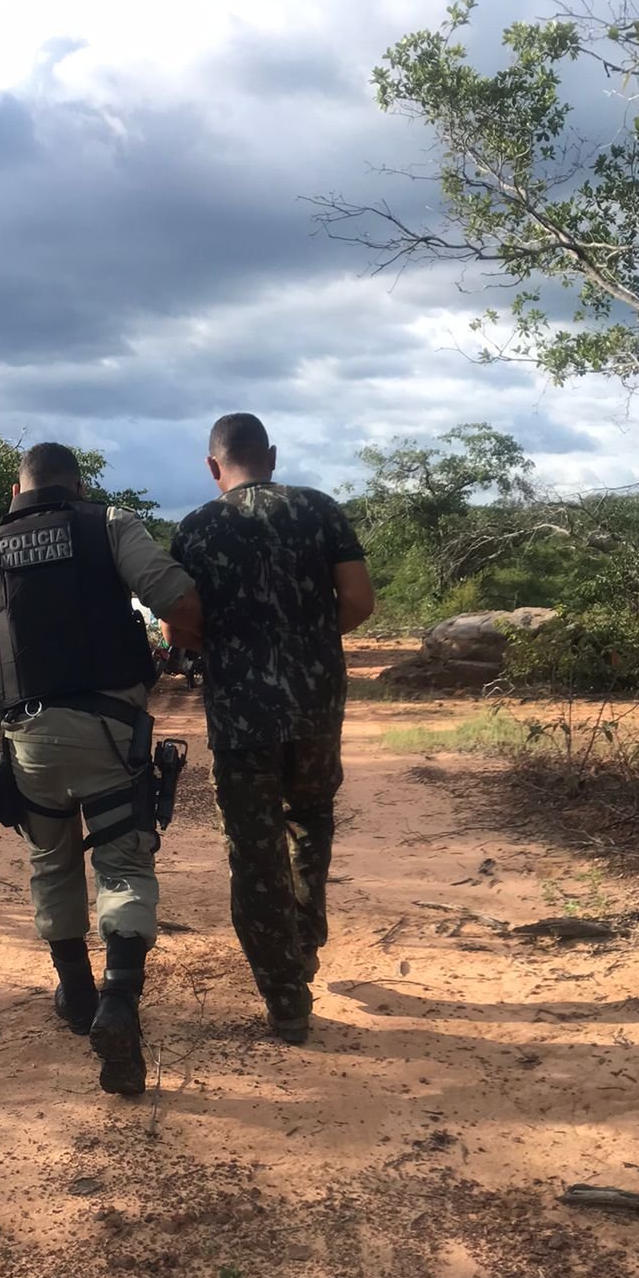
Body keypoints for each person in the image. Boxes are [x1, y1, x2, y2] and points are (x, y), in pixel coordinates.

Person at [0, 442, 203, 1097]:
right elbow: (177, 603)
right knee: (124, 864)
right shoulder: (109, 524)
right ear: (76, 488)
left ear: (16, 491)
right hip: (111, 731)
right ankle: (118, 1001)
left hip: (31, 740)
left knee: (51, 860)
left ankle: (76, 994)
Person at [168, 413, 375, 1043]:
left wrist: (228, 648)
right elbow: (359, 601)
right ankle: (306, 941)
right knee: (310, 819)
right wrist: (310, 640)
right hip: (316, 704)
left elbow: (178, 627)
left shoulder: (196, 528)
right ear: (273, 455)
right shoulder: (321, 510)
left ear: (213, 466)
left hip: (241, 716)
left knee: (254, 850)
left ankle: (286, 998)